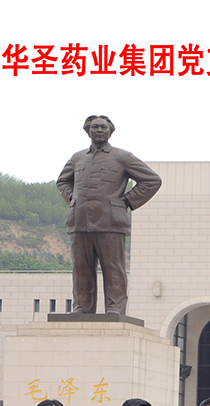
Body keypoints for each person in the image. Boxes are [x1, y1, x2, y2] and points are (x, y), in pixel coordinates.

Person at [55, 114, 161, 315]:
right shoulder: (78, 158)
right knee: (81, 267)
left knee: (113, 268)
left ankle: (115, 308)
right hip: (79, 221)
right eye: (95, 127)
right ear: (88, 131)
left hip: (110, 222)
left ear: (111, 131)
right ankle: (82, 307)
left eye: (103, 127)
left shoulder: (123, 157)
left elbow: (152, 180)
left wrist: (126, 201)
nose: (99, 130)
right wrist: (73, 199)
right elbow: (62, 182)